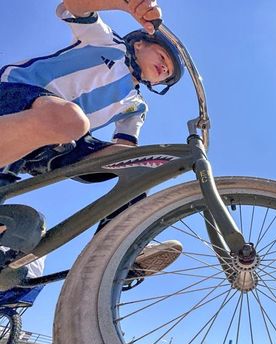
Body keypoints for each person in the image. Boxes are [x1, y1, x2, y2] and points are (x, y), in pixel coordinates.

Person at [0, 0, 184, 281]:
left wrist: (142, 171)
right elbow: (75, 6)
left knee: (140, 164)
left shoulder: (137, 106)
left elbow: (125, 149)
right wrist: (126, 5)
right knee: (69, 120)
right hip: (16, 98)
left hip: (52, 142)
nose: (164, 68)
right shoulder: (108, 42)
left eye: (168, 73)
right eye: (162, 56)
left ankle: (120, 245)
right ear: (140, 44)